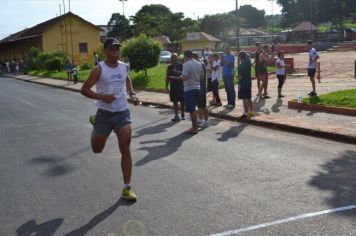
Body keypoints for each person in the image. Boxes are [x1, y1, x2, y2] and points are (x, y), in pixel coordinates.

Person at [81, 38, 140, 201]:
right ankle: (95, 122)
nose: (116, 51)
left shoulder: (124, 66)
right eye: (112, 49)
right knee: (97, 149)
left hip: (122, 112)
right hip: (104, 114)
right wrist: (102, 97)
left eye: (117, 49)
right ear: (105, 51)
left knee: (125, 147)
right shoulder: (99, 69)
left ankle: (126, 188)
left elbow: (126, 79)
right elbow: (84, 89)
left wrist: (132, 93)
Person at [181, 50, 204, 134]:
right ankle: (193, 127)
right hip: (197, 88)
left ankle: (194, 128)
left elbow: (185, 77)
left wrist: (180, 76)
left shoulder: (186, 64)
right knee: (193, 108)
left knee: (192, 109)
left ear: (185, 56)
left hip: (189, 88)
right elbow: (202, 77)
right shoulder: (199, 63)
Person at [165, 53, 185, 121]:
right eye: (172, 57)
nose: (173, 59)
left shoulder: (181, 65)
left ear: (177, 58)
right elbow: (167, 77)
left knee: (182, 101)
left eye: (175, 57)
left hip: (181, 86)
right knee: (174, 101)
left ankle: (182, 114)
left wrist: (178, 73)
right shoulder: (169, 67)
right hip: (173, 86)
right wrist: (166, 86)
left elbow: (184, 74)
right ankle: (176, 115)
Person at [193, 52, 209, 128]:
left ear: (195, 58)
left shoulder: (200, 64)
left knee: (203, 106)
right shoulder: (198, 64)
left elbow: (200, 77)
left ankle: (206, 121)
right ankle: (200, 119)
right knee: (199, 105)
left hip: (201, 88)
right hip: (198, 87)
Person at [237, 51, 254, 118]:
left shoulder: (240, 66)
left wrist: (235, 75)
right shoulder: (248, 62)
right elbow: (248, 56)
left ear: (240, 57)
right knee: (249, 97)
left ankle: (246, 113)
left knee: (245, 99)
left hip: (243, 83)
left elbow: (239, 77)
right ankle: (251, 112)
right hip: (249, 82)